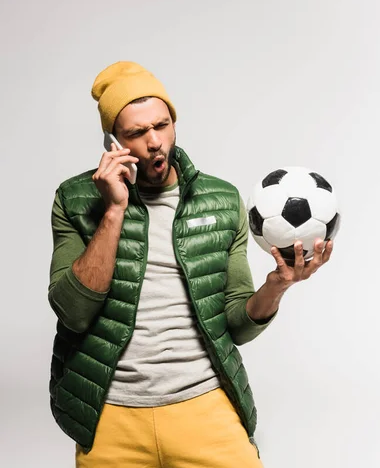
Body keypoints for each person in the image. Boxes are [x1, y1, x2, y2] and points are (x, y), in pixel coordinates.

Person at [48, 61, 334, 468]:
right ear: (113, 140)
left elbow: (235, 324)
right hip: (109, 414)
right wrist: (113, 211)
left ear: (174, 123)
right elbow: (73, 313)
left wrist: (277, 285)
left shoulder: (220, 199)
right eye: (136, 133)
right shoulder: (75, 200)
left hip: (205, 406)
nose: (154, 143)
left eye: (161, 125)